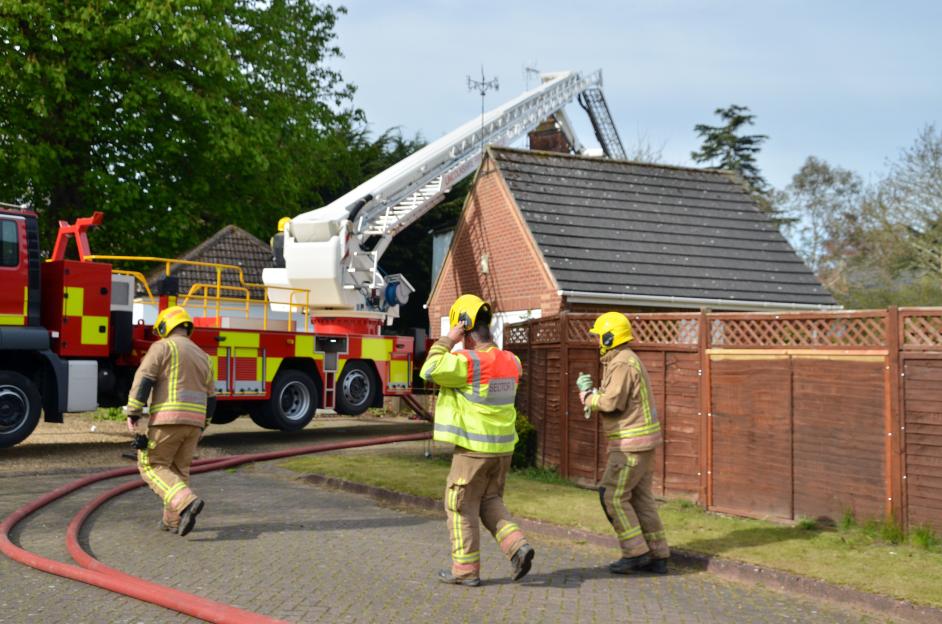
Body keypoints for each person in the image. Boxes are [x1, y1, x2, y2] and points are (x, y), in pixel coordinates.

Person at [420, 294, 534, 587]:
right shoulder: (513, 362)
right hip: (503, 450)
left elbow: (429, 369)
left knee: (459, 508)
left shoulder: (466, 362)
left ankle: (465, 571)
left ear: (465, 326)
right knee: (489, 501)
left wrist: (448, 338)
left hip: (472, 450)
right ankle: (518, 546)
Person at [579, 312, 670, 574]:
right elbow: (619, 397)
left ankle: (635, 552)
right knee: (641, 499)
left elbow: (611, 403)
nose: (597, 341)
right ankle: (658, 555)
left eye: (599, 337)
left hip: (629, 446)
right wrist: (598, 393)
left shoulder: (621, 363)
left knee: (612, 495)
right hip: (643, 444)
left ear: (610, 337)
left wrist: (588, 398)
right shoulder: (627, 360)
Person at [126, 306, 215, 536]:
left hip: (168, 419)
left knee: (151, 465)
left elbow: (144, 378)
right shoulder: (204, 356)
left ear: (165, 327)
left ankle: (186, 502)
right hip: (195, 423)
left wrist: (134, 411)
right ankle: (173, 521)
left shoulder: (163, 347)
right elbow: (212, 397)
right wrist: (204, 424)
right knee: (177, 470)